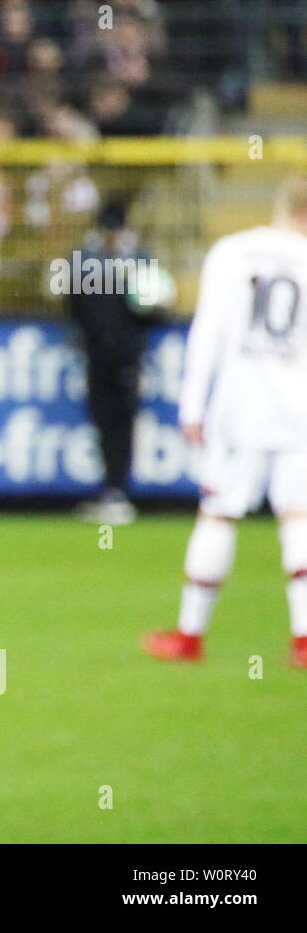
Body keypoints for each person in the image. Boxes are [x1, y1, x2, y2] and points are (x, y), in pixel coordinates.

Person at [145, 177, 307, 668]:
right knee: (298, 518)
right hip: (299, 410)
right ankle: (302, 641)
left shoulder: (233, 252)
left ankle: (190, 634)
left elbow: (208, 331)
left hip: (240, 409)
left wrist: (192, 403)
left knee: (219, 513)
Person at [66, 202, 155, 524]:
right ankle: (112, 489)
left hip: (124, 354)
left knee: (122, 420)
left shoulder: (132, 259)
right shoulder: (90, 258)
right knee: (103, 419)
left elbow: (153, 307)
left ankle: (119, 488)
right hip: (100, 353)